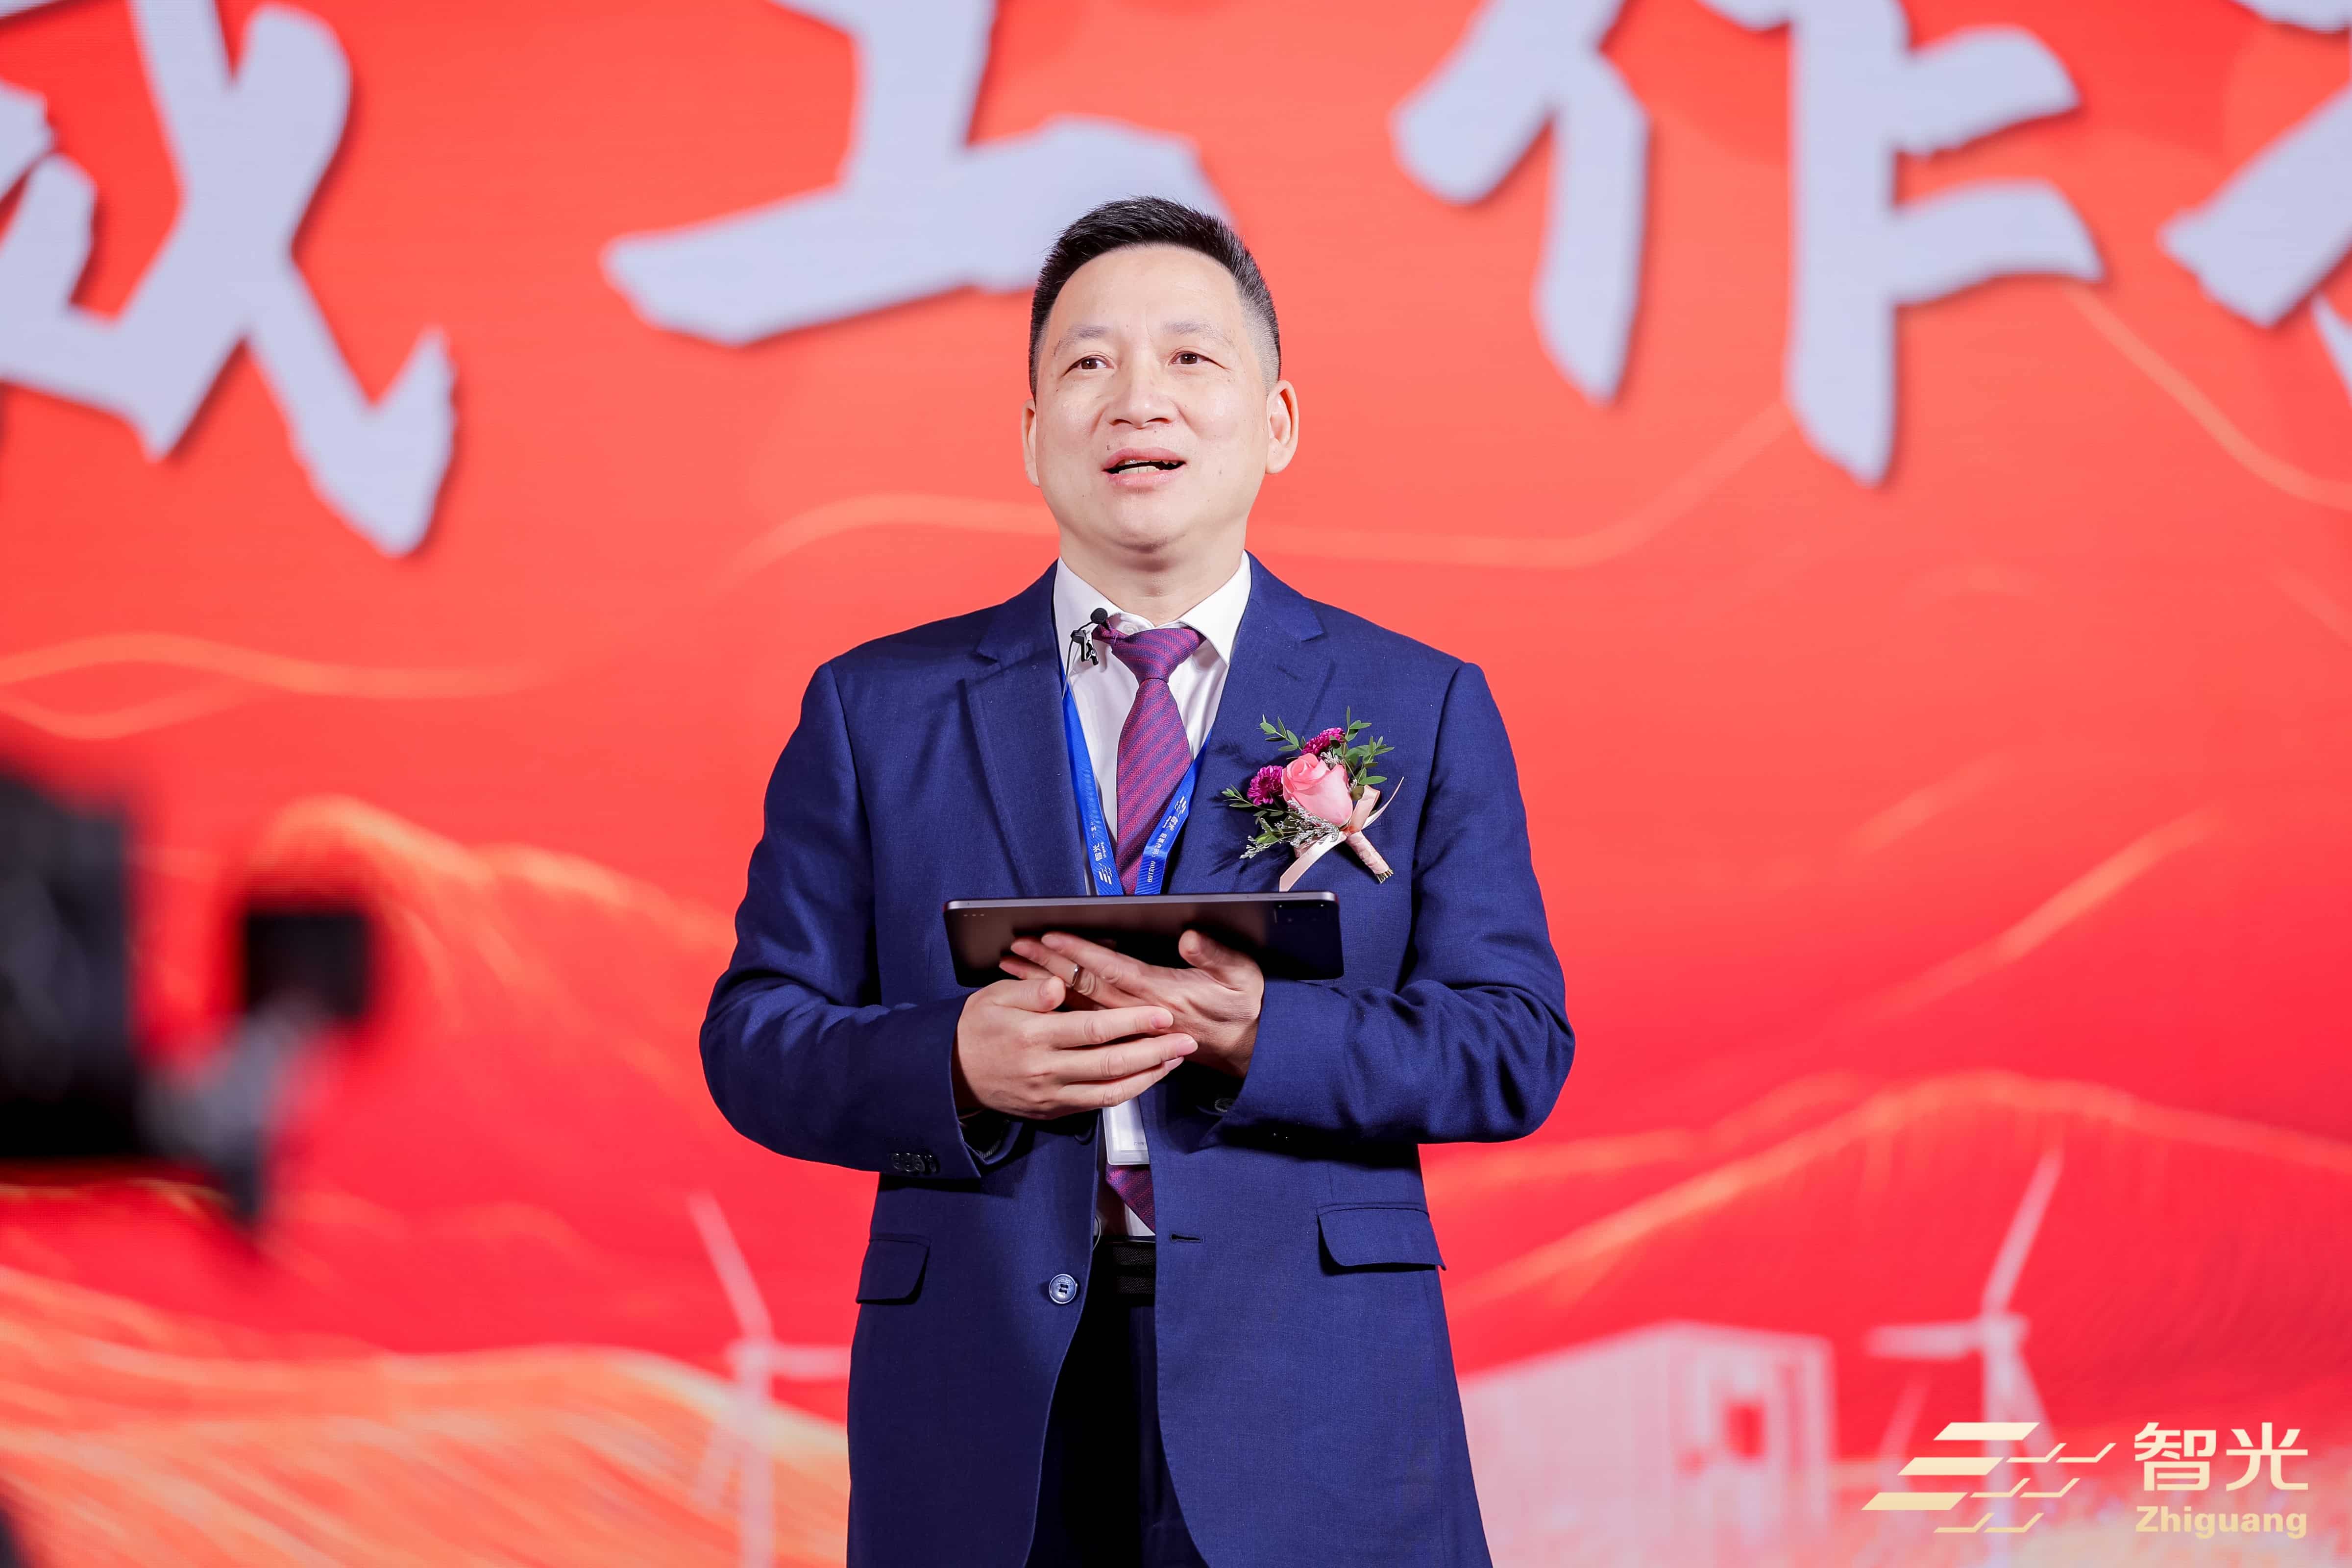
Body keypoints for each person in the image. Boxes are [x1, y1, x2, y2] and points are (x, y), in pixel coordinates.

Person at [702, 196, 1573, 1567]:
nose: (1136, 398)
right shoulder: (877, 710)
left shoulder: (1420, 704)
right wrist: (953, 1063)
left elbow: (1513, 1045)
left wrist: (1267, 1036)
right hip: (988, 1388)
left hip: (1316, 1390)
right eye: (1089, 363)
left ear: (1277, 422)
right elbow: (757, 1039)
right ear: (1031, 432)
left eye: (1188, 357)